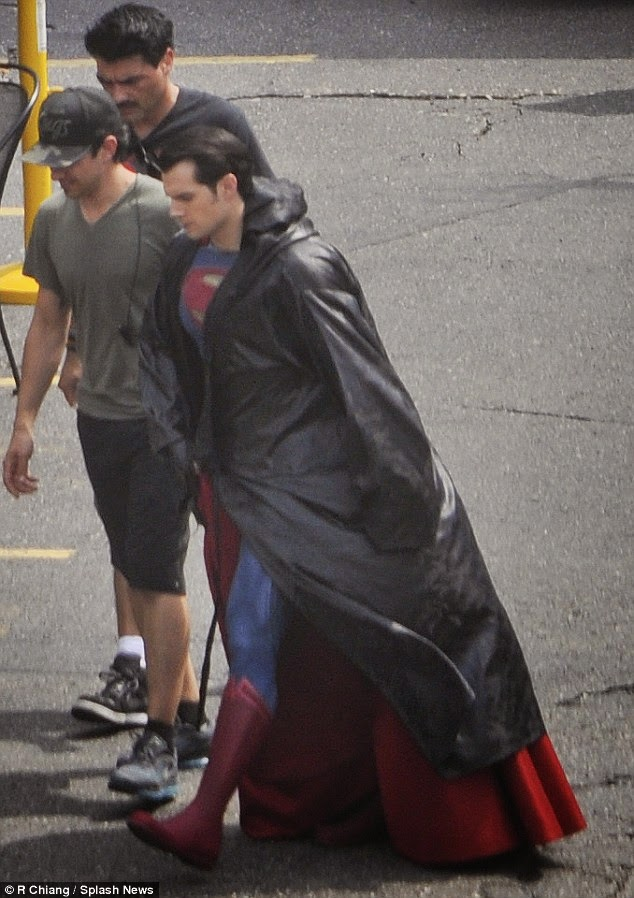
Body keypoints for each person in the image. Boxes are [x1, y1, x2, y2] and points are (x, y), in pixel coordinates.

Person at [125, 126, 586, 869]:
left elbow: (367, 387)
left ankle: (203, 819)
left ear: (229, 187)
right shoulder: (186, 257)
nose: (172, 210)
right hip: (240, 490)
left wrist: (404, 504)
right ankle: (247, 809)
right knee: (266, 644)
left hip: (308, 496)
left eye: (185, 197)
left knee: (254, 639)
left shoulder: (302, 268)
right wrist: (189, 459)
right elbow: (161, 353)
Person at [61, 2, 274, 729]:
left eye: (132, 80)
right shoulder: (104, 135)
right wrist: (77, 348)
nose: (118, 94)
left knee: (203, 534)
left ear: (169, 62)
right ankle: (142, 671)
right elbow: (90, 248)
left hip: (200, 370)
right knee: (133, 529)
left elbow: (264, 234)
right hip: (126, 370)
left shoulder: (217, 129)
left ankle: (228, 689)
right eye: (106, 81)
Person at [2, 88, 207, 800]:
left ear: (110, 149)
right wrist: (24, 422)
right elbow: (49, 319)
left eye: (69, 160)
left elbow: (211, 302)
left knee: (156, 571)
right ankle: (189, 717)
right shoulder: (54, 220)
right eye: (49, 160)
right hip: (101, 421)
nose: (57, 171)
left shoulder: (164, 212)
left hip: (164, 423)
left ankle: (161, 737)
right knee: (135, 565)